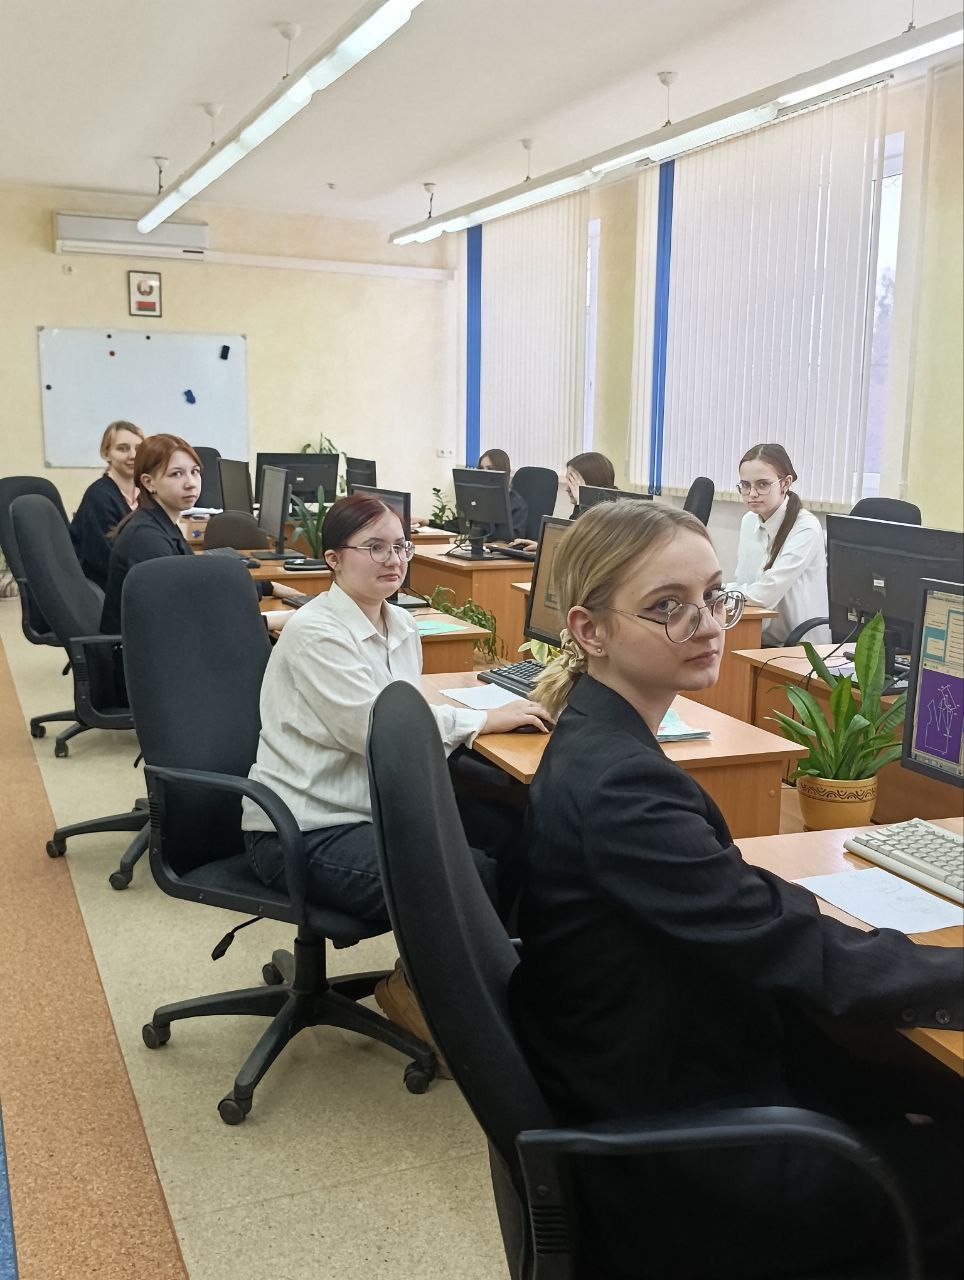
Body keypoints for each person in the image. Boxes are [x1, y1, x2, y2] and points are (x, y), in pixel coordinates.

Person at [509, 499, 962, 1280]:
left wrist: (778, 908)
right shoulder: (623, 789)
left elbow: (747, 913)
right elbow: (794, 953)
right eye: (668, 607)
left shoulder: (599, 743)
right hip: (693, 1162)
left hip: (667, 1082)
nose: (709, 624)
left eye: (713, 595)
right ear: (590, 631)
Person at [241, 493, 551, 1049]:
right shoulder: (316, 632)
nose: (394, 559)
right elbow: (376, 730)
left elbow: (405, 721)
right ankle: (426, 999)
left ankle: (494, 993)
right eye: (375, 548)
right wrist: (482, 719)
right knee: (468, 871)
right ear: (334, 559)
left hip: (376, 809)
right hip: (306, 829)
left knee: (512, 833)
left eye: (401, 546)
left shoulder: (402, 625)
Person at [729, 442, 830, 644]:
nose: (752, 494)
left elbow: (765, 594)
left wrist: (725, 593)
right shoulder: (749, 521)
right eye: (746, 485)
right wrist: (726, 591)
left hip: (799, 646)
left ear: (785, 483)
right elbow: (745, 582)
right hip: (758, 636)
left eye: (762, 485)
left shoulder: (805, 527)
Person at [100, 434, 201, 634]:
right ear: (149, 483)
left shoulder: (160, 523)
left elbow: (189, 584)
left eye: (195, 472)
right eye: (176, 474)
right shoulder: (146, 538)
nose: (191, 483)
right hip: (142, 650)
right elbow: (175, 612)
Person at [69, 420, 144, 590]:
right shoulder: (99, 496)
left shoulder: (147, 494)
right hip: (106, 588)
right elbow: (107, 559)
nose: (133, 455)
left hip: (134, 578)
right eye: (123, 449)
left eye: (139, 449)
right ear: (106, 453)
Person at [508, 450, 617, 551]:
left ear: (591, 480)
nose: (567, 489)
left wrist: (583, 502)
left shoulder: (614, 512)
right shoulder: (583, 506)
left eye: (572, 482)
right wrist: (541, 546)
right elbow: (568, 542)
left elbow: (585, 548)